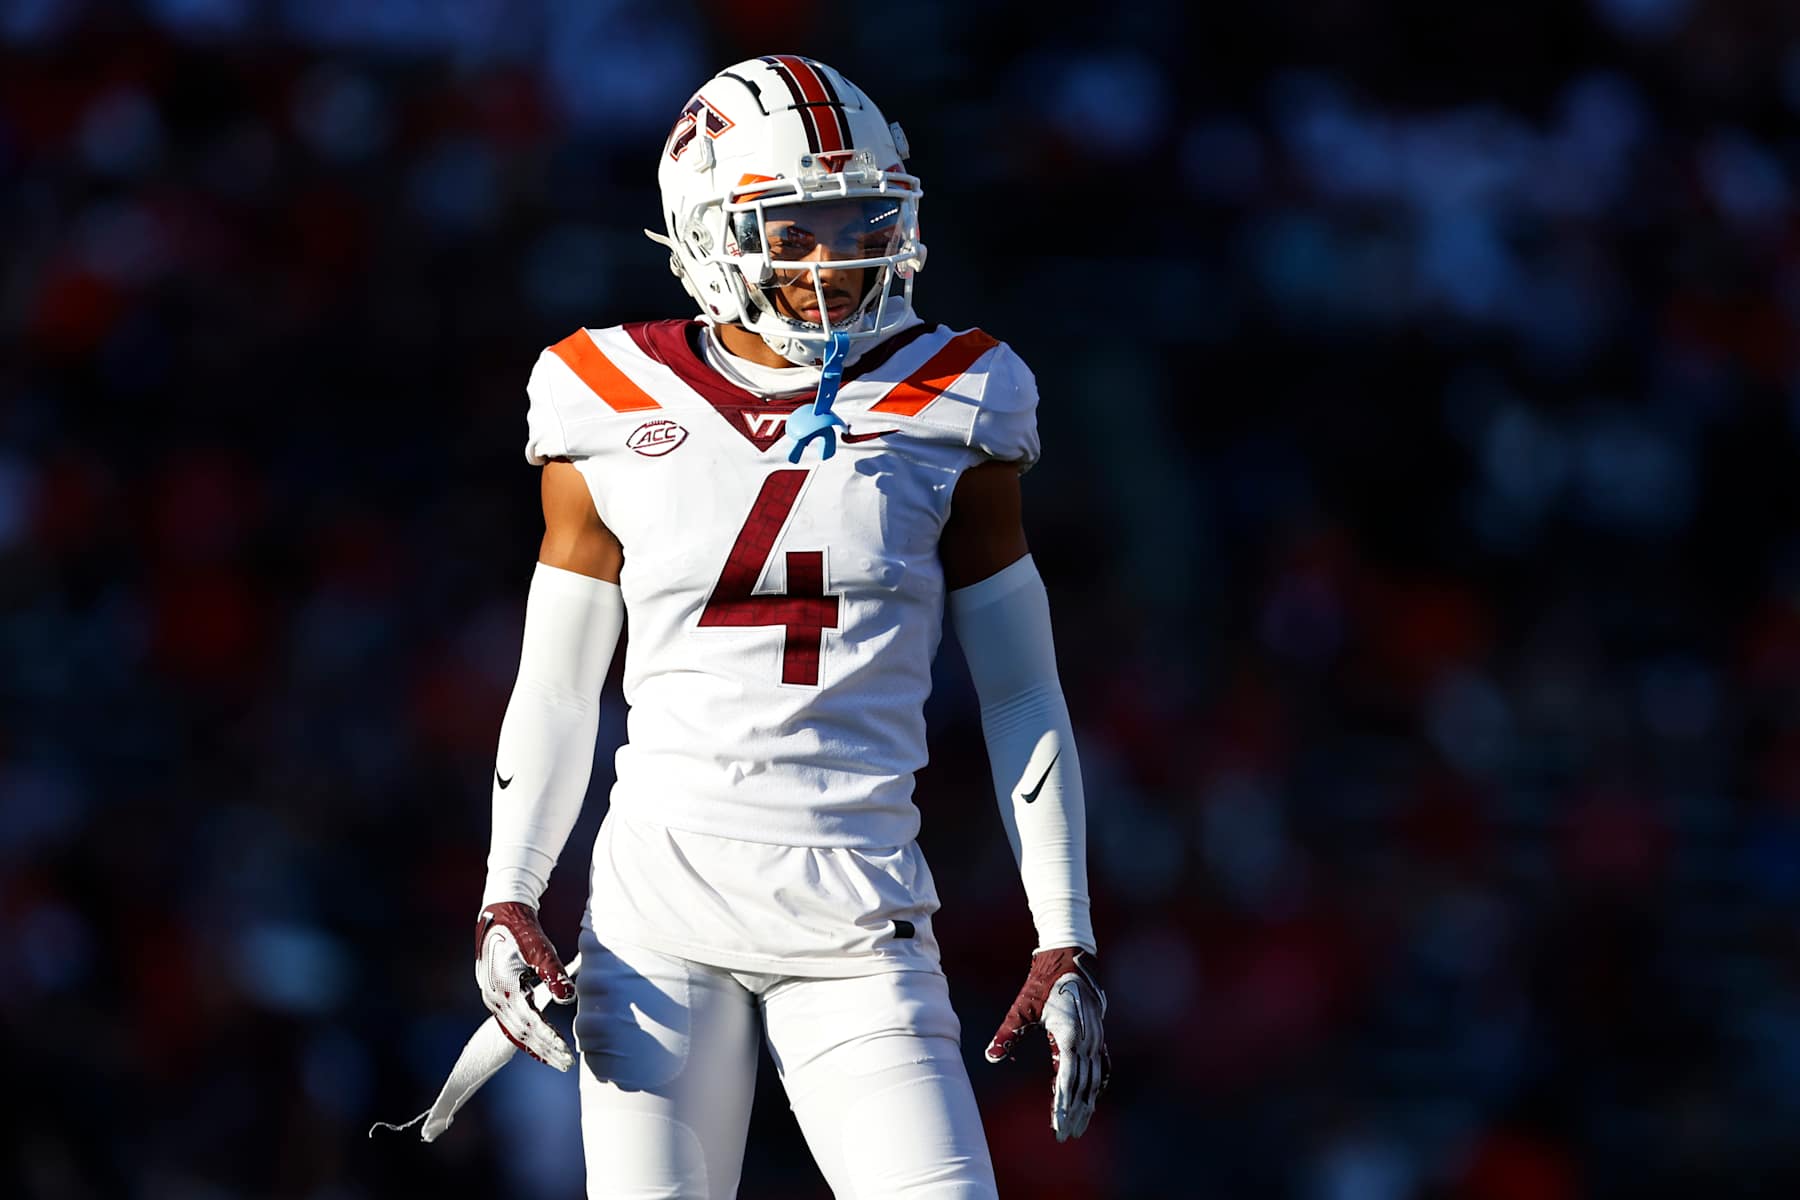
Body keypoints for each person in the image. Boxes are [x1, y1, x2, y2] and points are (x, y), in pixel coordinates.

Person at [473, 54, 1107, 1199]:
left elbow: (1022, 691)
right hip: (656, 923)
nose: (841, 252)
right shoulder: (602, 394)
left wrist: (1064, 929)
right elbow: (560, 687)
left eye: (863, 215)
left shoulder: (957, 392)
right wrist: (507, 891)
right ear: (708, 230)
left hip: (861, 926)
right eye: (801, 224)